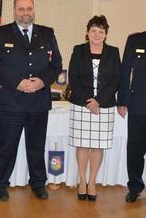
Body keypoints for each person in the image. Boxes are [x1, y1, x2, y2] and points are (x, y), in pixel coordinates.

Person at [0, 0, 62, 201]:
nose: (25, 13)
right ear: (14, 11)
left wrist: (42, 81)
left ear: (33, 10)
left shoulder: (47, 33)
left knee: (36, 146)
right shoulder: (0, 33)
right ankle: (1, 183)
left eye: (29, 8)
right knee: (6, 146)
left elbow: (56, 65)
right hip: (10, 101)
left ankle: (38, 183)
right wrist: (17, 83)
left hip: (38, 101)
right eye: (21, 9)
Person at [68, 15, 121, 201]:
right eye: (93, 31)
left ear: (106, 34)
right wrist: (88, 101)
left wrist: (98, 100)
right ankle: (82, 181)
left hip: (104, 106)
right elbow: (73, 78)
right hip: (81, 105)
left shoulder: (113, 52)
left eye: (101, 31)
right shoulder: (78, 50)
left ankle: (92, 182)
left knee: (98, 146)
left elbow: (116, 80)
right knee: (83, 144)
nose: (97, 34)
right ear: (87, 32)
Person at [117, 31, 146, 202]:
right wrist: (122, 101)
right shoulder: (135, 40)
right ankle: (135, 187)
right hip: (139, 105)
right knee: (135, 150)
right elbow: (125, 71)